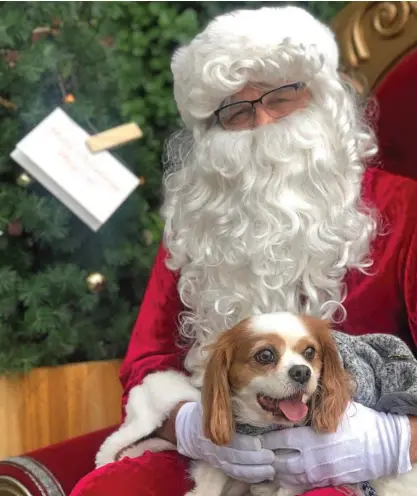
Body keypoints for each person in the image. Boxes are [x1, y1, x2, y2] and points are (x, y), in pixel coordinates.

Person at [71, 6, 417, 496]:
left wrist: (393, 439)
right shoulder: (201, 223)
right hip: (220, 455)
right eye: (236, 111)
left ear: (322, 98)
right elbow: (148, 362)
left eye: (282, 96)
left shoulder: (406, 210)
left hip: (366, 465)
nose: (262, 122)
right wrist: (192, 426)